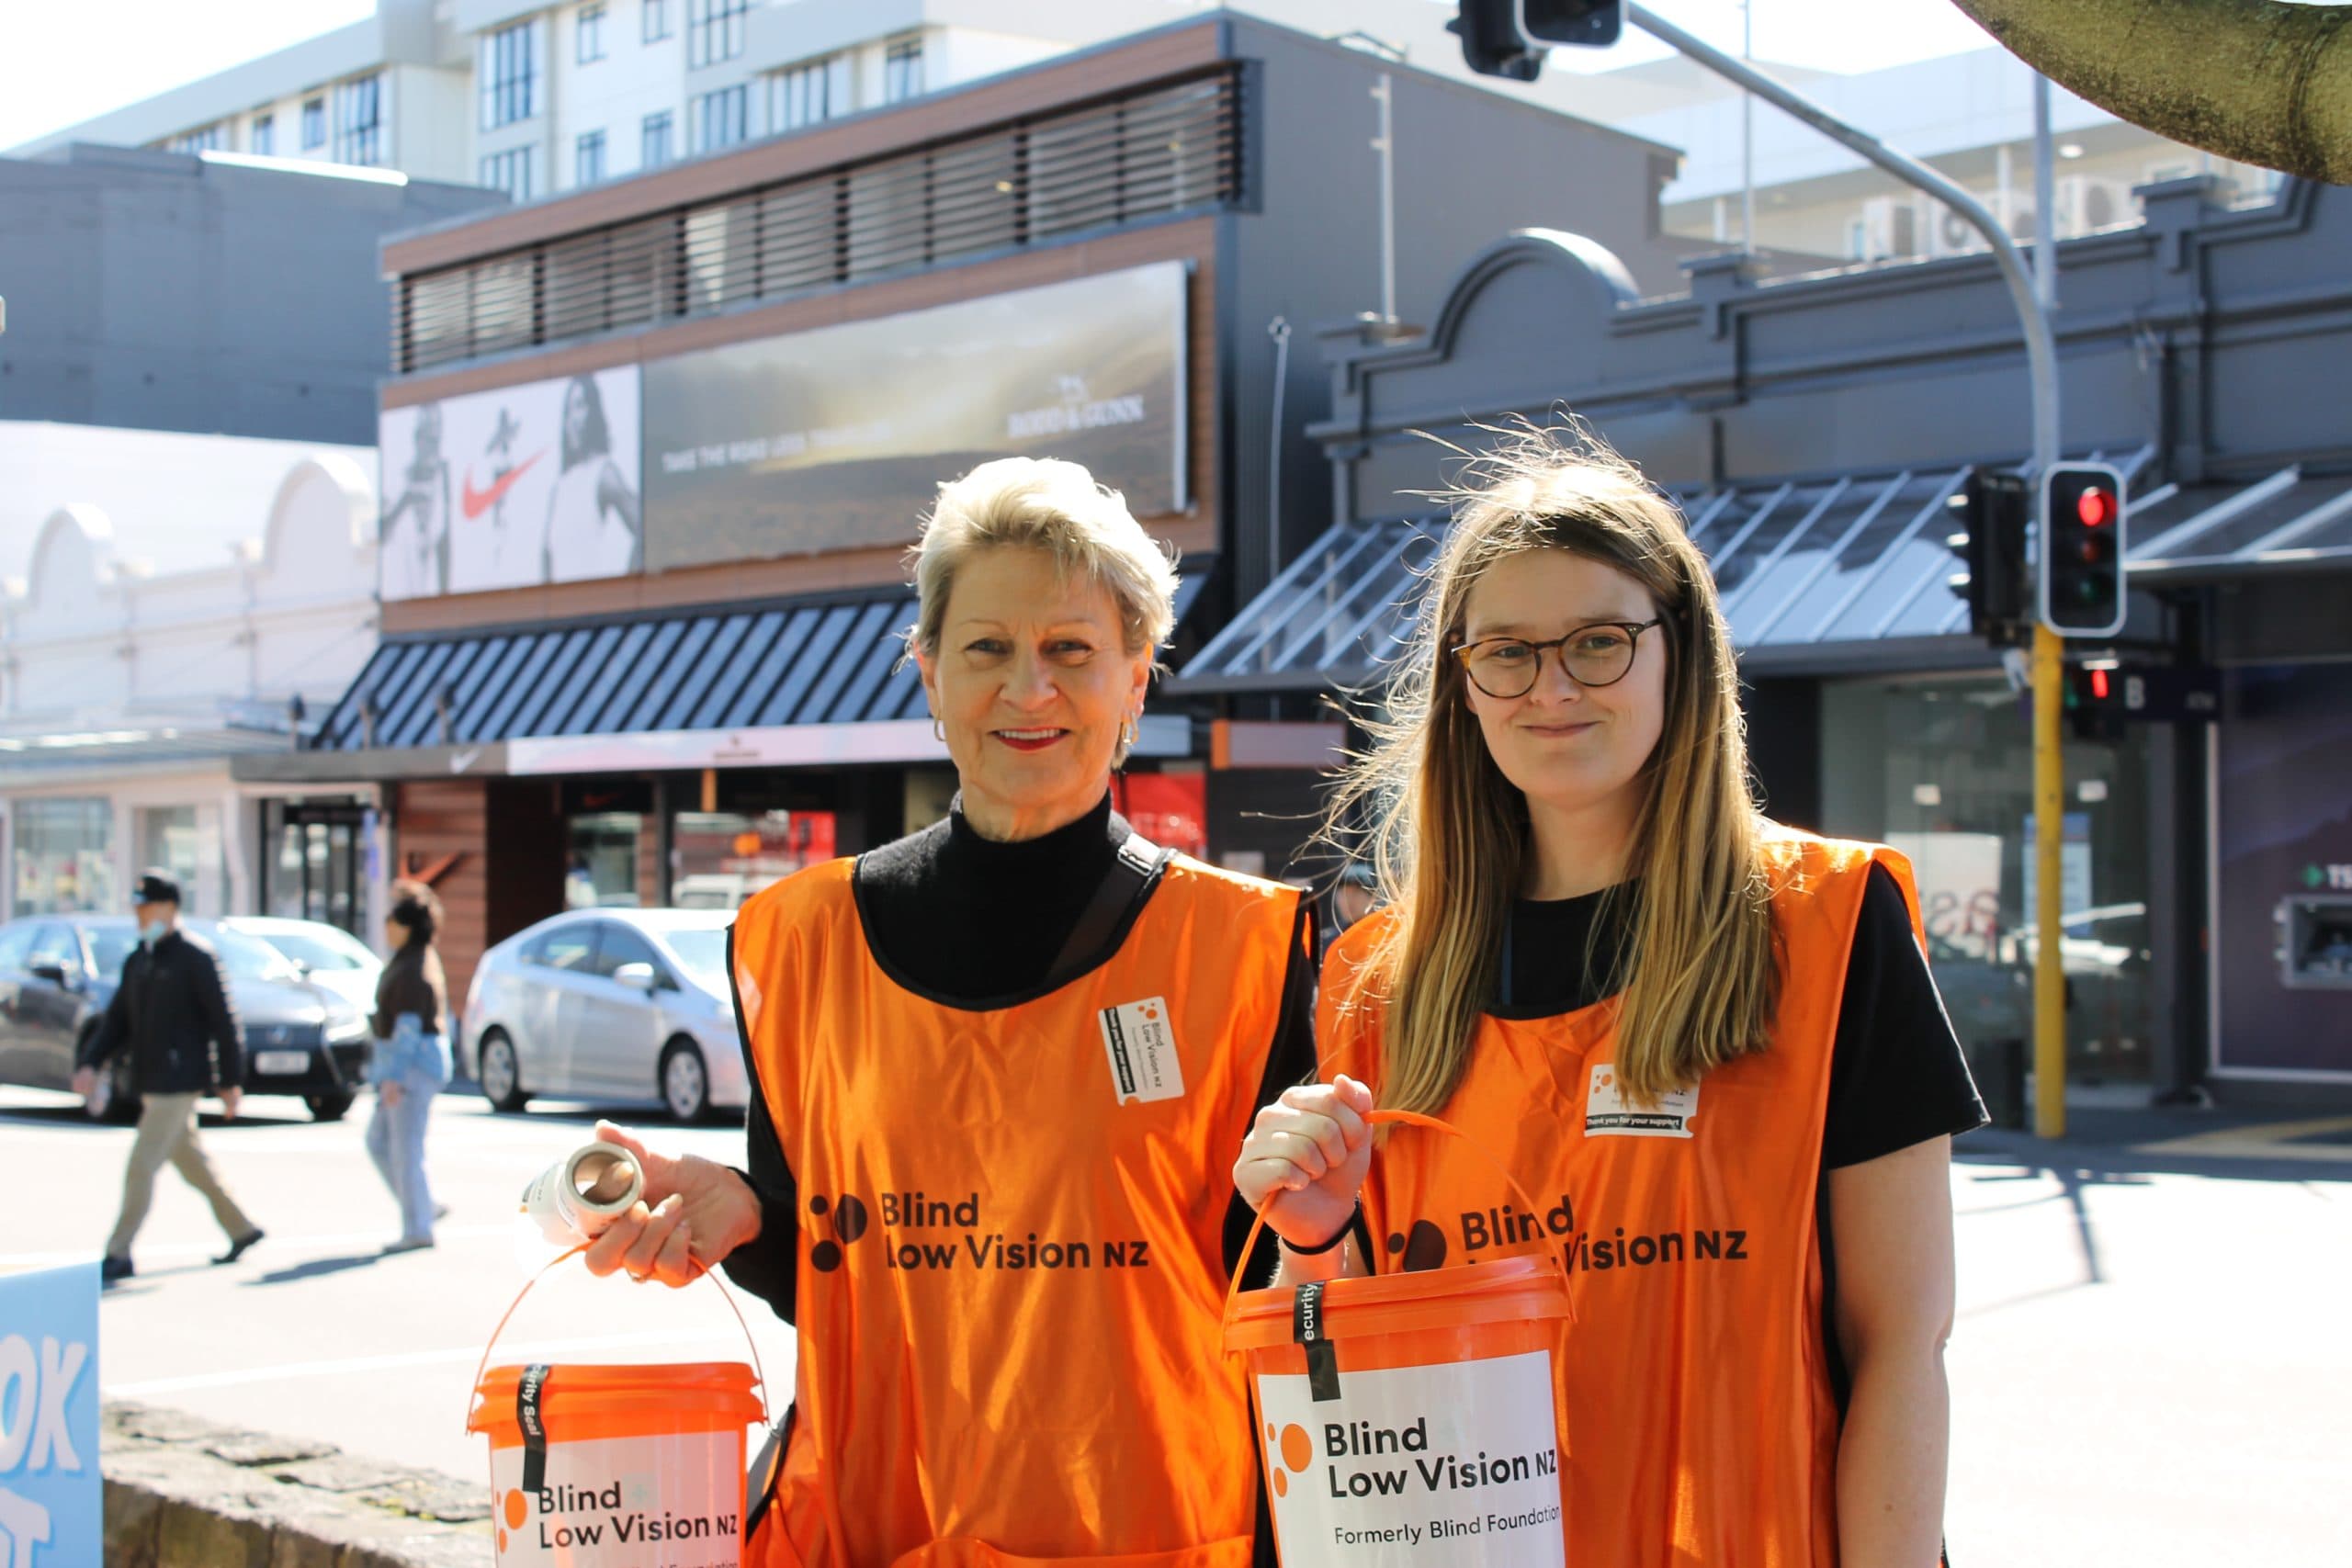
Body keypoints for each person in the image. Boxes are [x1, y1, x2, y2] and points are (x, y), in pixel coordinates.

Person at [1234, 426, 1986, 1567]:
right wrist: (1310, 1245)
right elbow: (1354, 1386)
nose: (1550, 688)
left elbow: (1899, 1345)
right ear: (1461, 684)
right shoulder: (1372, 983)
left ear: (1678, 654)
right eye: (1506, 653)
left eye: (1597, 643)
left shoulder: (1828, 925)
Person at [586, 457, 1315, 1566]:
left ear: (1136, 675)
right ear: (928, 671)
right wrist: (744, 1220)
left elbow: (1287, 1295)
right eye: (987, 649)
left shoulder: (1249, 950)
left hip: (1154, 1533)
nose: (1029, 689)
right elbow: (840, 1279)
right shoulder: (797, 941)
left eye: (1071, 649)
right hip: (879, 1528)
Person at [73, 871, 265, 1285]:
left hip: (180, 1080)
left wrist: (231, 1080)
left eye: (147, 905)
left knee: (141, 1166)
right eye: (137, 906)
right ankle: (241, 1227)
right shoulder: (140, 958)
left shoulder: (196, 956)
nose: (140, 914)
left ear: (169, 907)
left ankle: (118, 1252)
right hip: (151, 1078)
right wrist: (91, 1062)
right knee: (193, 1164)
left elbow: (224, 1021)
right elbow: (117, 1020)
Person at [367, 881, 452, 1254]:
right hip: (409, 1065)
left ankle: (418, 1226)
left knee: (404, 1148)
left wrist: (394, 1079)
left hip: (411, 1068)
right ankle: (423, 1206)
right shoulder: (411, 959)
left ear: (405, 927)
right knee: (380, 1142)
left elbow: (407, 1029)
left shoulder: (413, 968)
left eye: (391, 921)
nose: (385, 927)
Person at [543, 374, 640, 583]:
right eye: (568, 410)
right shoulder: (559, 487)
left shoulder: (603, 473)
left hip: (591, 608)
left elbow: (646, 526)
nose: (573, 419)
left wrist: (629, 579)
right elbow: (547, 558)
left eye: (580, 406)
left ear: (593, 411)